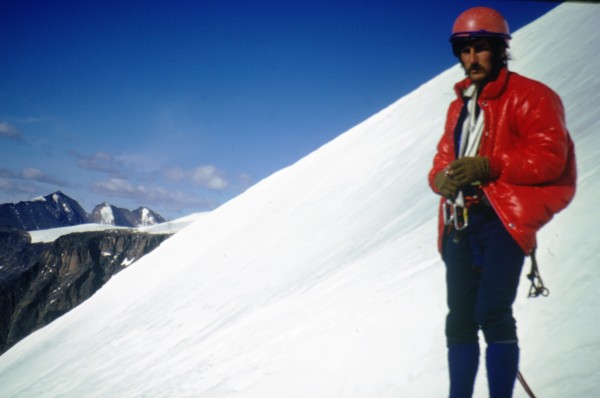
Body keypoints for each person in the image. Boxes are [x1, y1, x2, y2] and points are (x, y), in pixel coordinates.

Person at [427, 6, 576, 398]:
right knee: (459, 319)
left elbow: (550, 158)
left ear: (499, 49)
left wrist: (490, 165)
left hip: (504, 219)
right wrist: (440, 179)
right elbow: (443, 158)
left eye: (480, 48)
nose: (470, 59)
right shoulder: (459, 107)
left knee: (492, 314)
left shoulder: (533, 97)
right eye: (464, 50)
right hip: (461, 221)